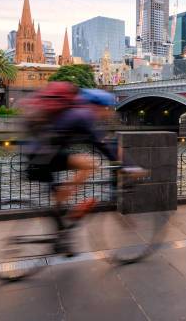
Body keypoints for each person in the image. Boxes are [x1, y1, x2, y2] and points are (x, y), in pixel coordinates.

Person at [24, 82, 143, 230]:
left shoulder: (77, 112)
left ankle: (61, 221)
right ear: (99, 106)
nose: (109, 113)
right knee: (89, 164)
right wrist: (129, 167)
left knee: (82, 168)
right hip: (42, 155)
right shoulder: (84, 115)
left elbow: (99, 142)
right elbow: (103, 145)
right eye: (108, 108)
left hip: (39, 152)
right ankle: (66, 211)